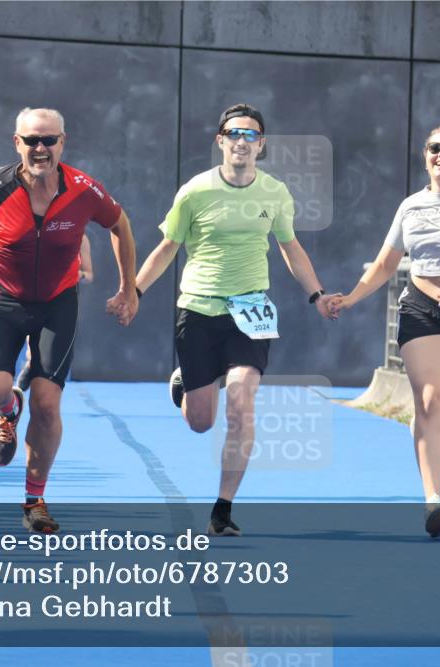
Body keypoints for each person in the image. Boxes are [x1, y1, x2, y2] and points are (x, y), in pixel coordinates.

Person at [0, 107, 138, 534]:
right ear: (16, 143)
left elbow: (121, 225)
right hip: (4, 301)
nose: (40, 149)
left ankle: (34, 499)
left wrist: (128, 288)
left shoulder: (84, 189)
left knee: (48, 405)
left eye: (49, 140)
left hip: (58, 303)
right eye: (31, 140)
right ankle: (8, 406)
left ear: (62, 143)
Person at [133, 103, 335, 536]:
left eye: (251, 135)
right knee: (200, 422)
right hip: (198, 309)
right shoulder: (194, 192)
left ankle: (222, 510)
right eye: (234, 133)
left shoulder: (276, 192)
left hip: (251, 310)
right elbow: (168, 247)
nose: (242, 141)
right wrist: (134, 290)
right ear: (220, 141)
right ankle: (185, 384)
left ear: (261, 145)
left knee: (242, 401)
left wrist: (316, 294)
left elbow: (290, 247)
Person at [330, 124, 440, 538]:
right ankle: (433, 502)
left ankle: (427, 429)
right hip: (420, 308)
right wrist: (351, 298)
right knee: (430, 400)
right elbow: (386, 264)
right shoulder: (409, 206)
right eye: (434, 148)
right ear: (425, 155)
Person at [15, 233, 93, 391]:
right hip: (34, 297)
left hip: (63, 301)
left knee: (56, 350)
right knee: (34, 339)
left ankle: (45, 380)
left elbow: (89, 275)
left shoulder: (81, 239)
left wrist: (79, 275)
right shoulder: (38, 234)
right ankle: (31, 363)